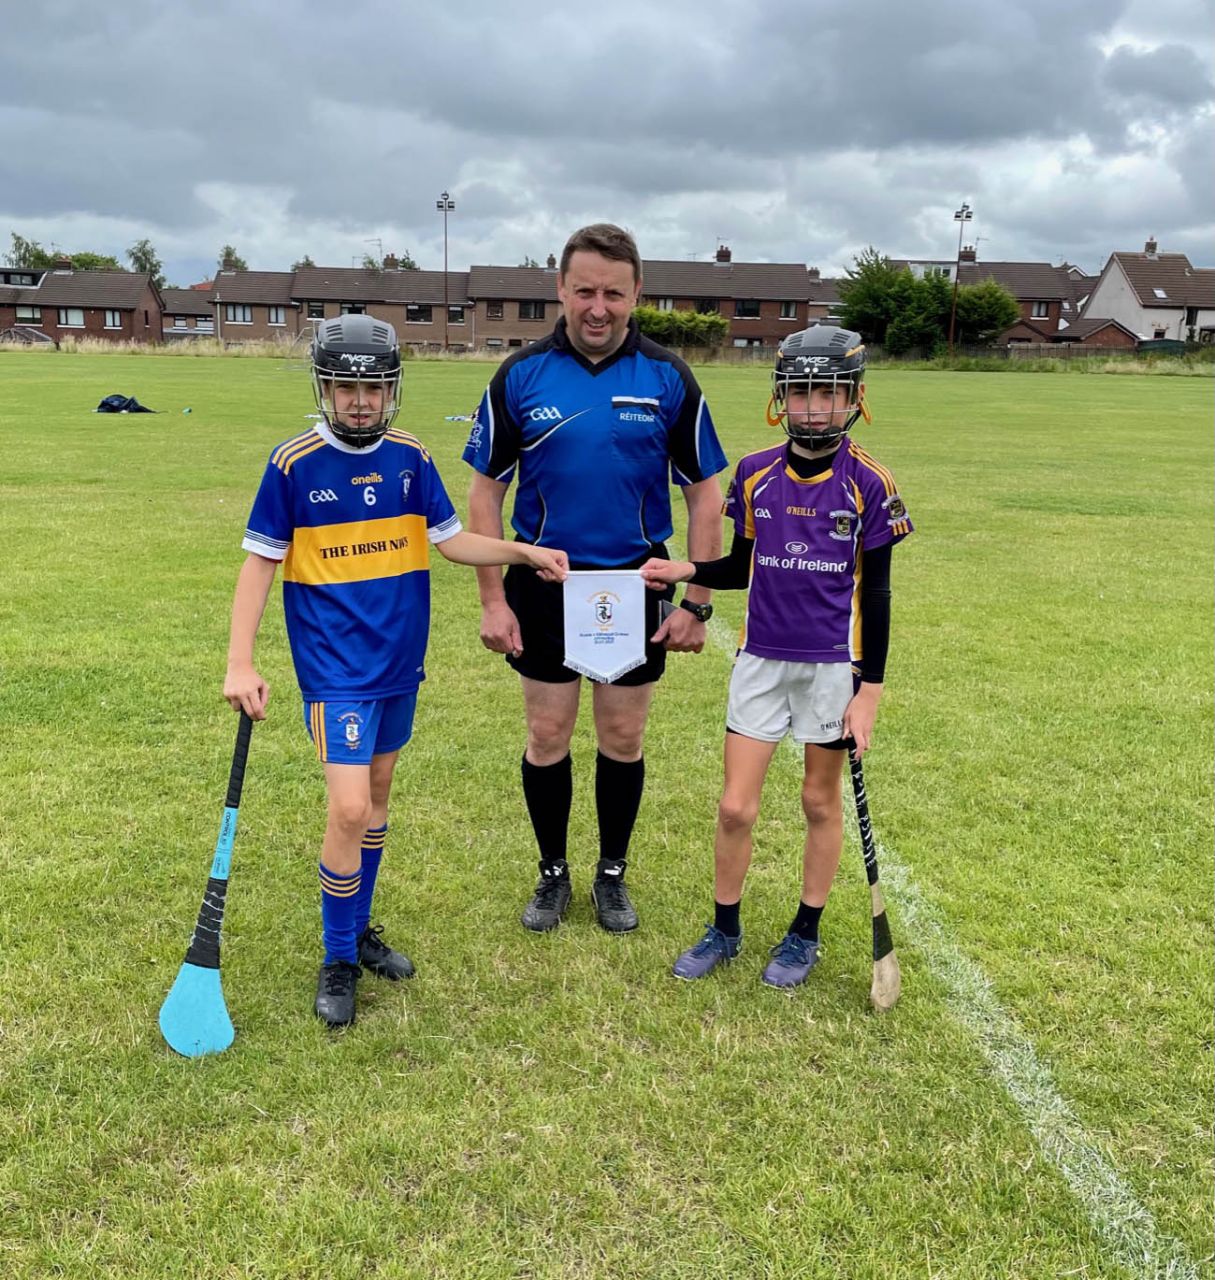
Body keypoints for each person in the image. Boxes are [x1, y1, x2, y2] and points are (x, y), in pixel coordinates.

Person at [223, 314, 568, 1028]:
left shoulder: (409, 456)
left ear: (392, 390)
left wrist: (523, 554)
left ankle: (359, 928)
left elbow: (451, 540)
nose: (358, 401)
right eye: (345, 386)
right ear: (323, 386)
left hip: (396, 664)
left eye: (372, 388)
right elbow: (260, 562)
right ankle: (337, 957)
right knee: (348, 809)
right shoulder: (293, 464)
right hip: (334, 669)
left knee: (376, 800)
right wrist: (240, 661)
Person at [462, 223, 728, 935]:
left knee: (622, 736)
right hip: (543, 583)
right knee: (546, 734)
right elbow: (485, 492)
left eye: (613, 292)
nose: (598, 307)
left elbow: (705, 494)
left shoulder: (667, 376)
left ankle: (612, 874)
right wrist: (493, 598)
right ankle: (553, 874)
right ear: (560, 290)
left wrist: (695, 604)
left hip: (634, 586)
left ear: (636, 293)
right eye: (584, 290)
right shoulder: (519, 374)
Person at [640, 325, 913, 987]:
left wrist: (869, 689)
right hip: (760, 659)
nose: (814, 407)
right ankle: (724, 928)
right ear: (780, 397)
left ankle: (803, 933)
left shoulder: (868, 481)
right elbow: (741, 563)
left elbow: (873, 590)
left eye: (829, 392)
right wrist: (683, 568)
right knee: (735, 807)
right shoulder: (755, 472)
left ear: (853, 396)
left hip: (830, 667)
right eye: (801, 392)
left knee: (819, 804)